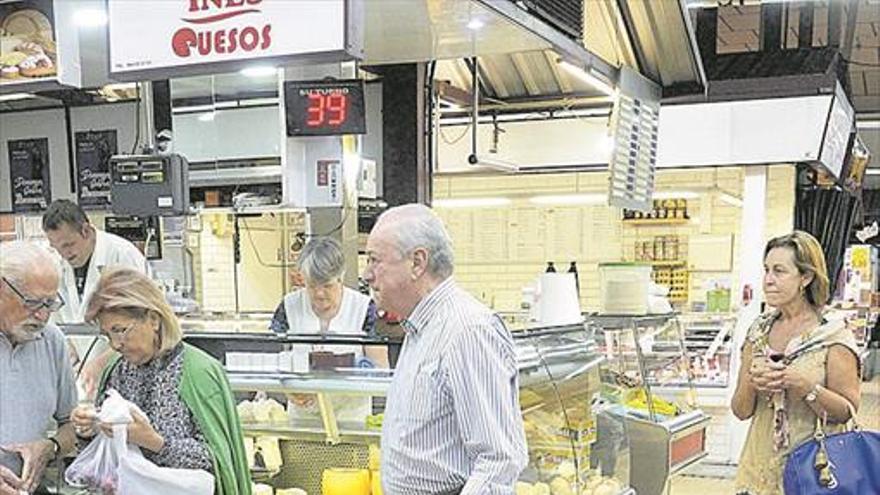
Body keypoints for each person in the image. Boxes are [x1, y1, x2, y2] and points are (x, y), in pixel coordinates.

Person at [363, 203, 528, 494]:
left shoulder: (467, 331)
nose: (367, 275)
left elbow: (498, 460)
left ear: (417, 263)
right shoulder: (419, 328)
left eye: (375, 261)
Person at [69, 268, 251, 495]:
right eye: (107, 335)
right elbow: (104, 463)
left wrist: (155, 442)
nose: (115, 344)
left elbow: (217, 463)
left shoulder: (198, 372)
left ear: (153, 319)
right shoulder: (116, 371)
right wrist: (89, 430)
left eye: (120, 331)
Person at [731, 231, 860, 495]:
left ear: (806, 277)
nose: (768, 280)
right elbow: (741, 411)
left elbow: (846, 412)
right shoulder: (758, 332)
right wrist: (751, 380)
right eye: (766, 270)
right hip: (758, 475)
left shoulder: (832, 336)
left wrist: (803, 385)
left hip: (813, 474)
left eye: (779, 271)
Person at [42, 199, 150, 398]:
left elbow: (140, 324)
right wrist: (68, 359)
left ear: (86, 231)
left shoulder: (122, 255)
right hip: (86, 377)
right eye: (57, 248)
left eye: (68, 245)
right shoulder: (58, 263)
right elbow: (64, 321)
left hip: (129, 368)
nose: (64, 254)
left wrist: (101, 363)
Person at [0, 241, 77, 494]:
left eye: (50, 304)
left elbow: (71, 426)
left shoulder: (51, 340)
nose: (43, 316)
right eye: (33, 303)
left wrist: (51, 446)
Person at [269, 236, 377, 337]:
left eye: (327, 286)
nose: (319, 293)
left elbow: (377, 356)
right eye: (312, 285)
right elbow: (272, 351)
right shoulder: (289, 306)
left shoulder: (363, 309)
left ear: (340, 278)